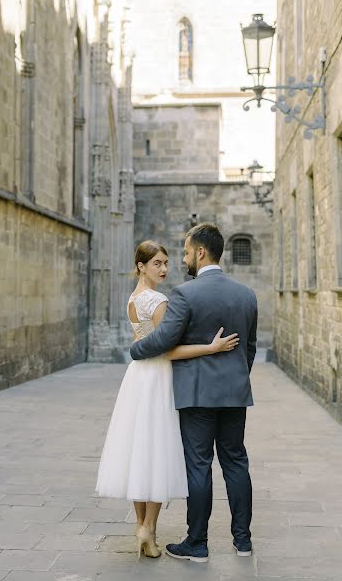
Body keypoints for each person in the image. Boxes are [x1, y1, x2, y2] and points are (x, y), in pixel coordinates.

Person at [95, 239, 239, 559]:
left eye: (166, 262)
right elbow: (168, 348)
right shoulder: (157, 300)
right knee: (157, 450)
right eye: (156, 263)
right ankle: (149, 527)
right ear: (140, 267)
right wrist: (210, 348)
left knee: (139, 450)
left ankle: (142, 528)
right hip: (158, 377)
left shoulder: (133, 299)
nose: (164, 268)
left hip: (137, 377)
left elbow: (143, 340)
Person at [130, 223, 257, 563]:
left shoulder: (187, 293)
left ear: (200, 252)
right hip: (234, 393)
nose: (183, 259)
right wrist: (235, 378)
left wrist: (136, 350)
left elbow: (164, 340)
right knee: (236, 462)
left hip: (196, 394)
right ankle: (243, 542)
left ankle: (197, 545)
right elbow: (250, 349)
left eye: (185, 252)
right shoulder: (246, 294)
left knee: (199, 466)